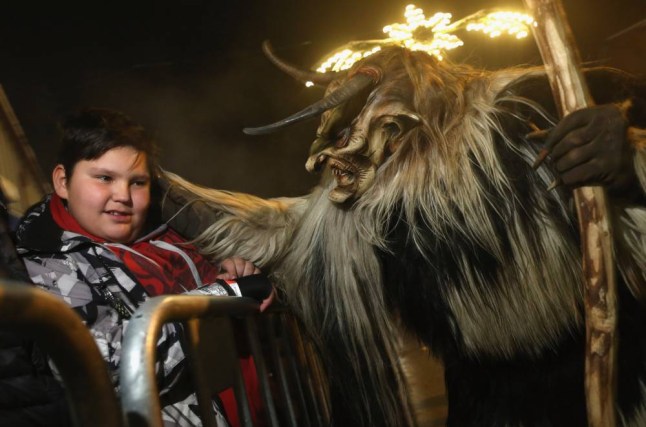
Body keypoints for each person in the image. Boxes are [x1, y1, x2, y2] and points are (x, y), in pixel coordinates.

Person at [14, 108, 273, 427]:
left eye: (137, 182)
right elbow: (106, 373)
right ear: (63, 182)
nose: (123, 196)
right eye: (104, 178)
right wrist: (224, 296)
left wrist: (233, 273)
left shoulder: (171, 235)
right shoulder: (44, 262)